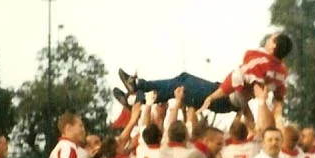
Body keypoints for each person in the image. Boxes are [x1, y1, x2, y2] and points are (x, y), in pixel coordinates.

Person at [117, 32, 293, 117]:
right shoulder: (279, 71)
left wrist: (212, 97)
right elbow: (278, 98)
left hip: (224, 97)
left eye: (272, 38)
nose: (269, 39)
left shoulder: (260, 63)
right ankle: (138, 88)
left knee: (180, 86)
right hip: (227, 99)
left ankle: (136, 95)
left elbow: (235, 81)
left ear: (274, 45)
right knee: (183, 78)